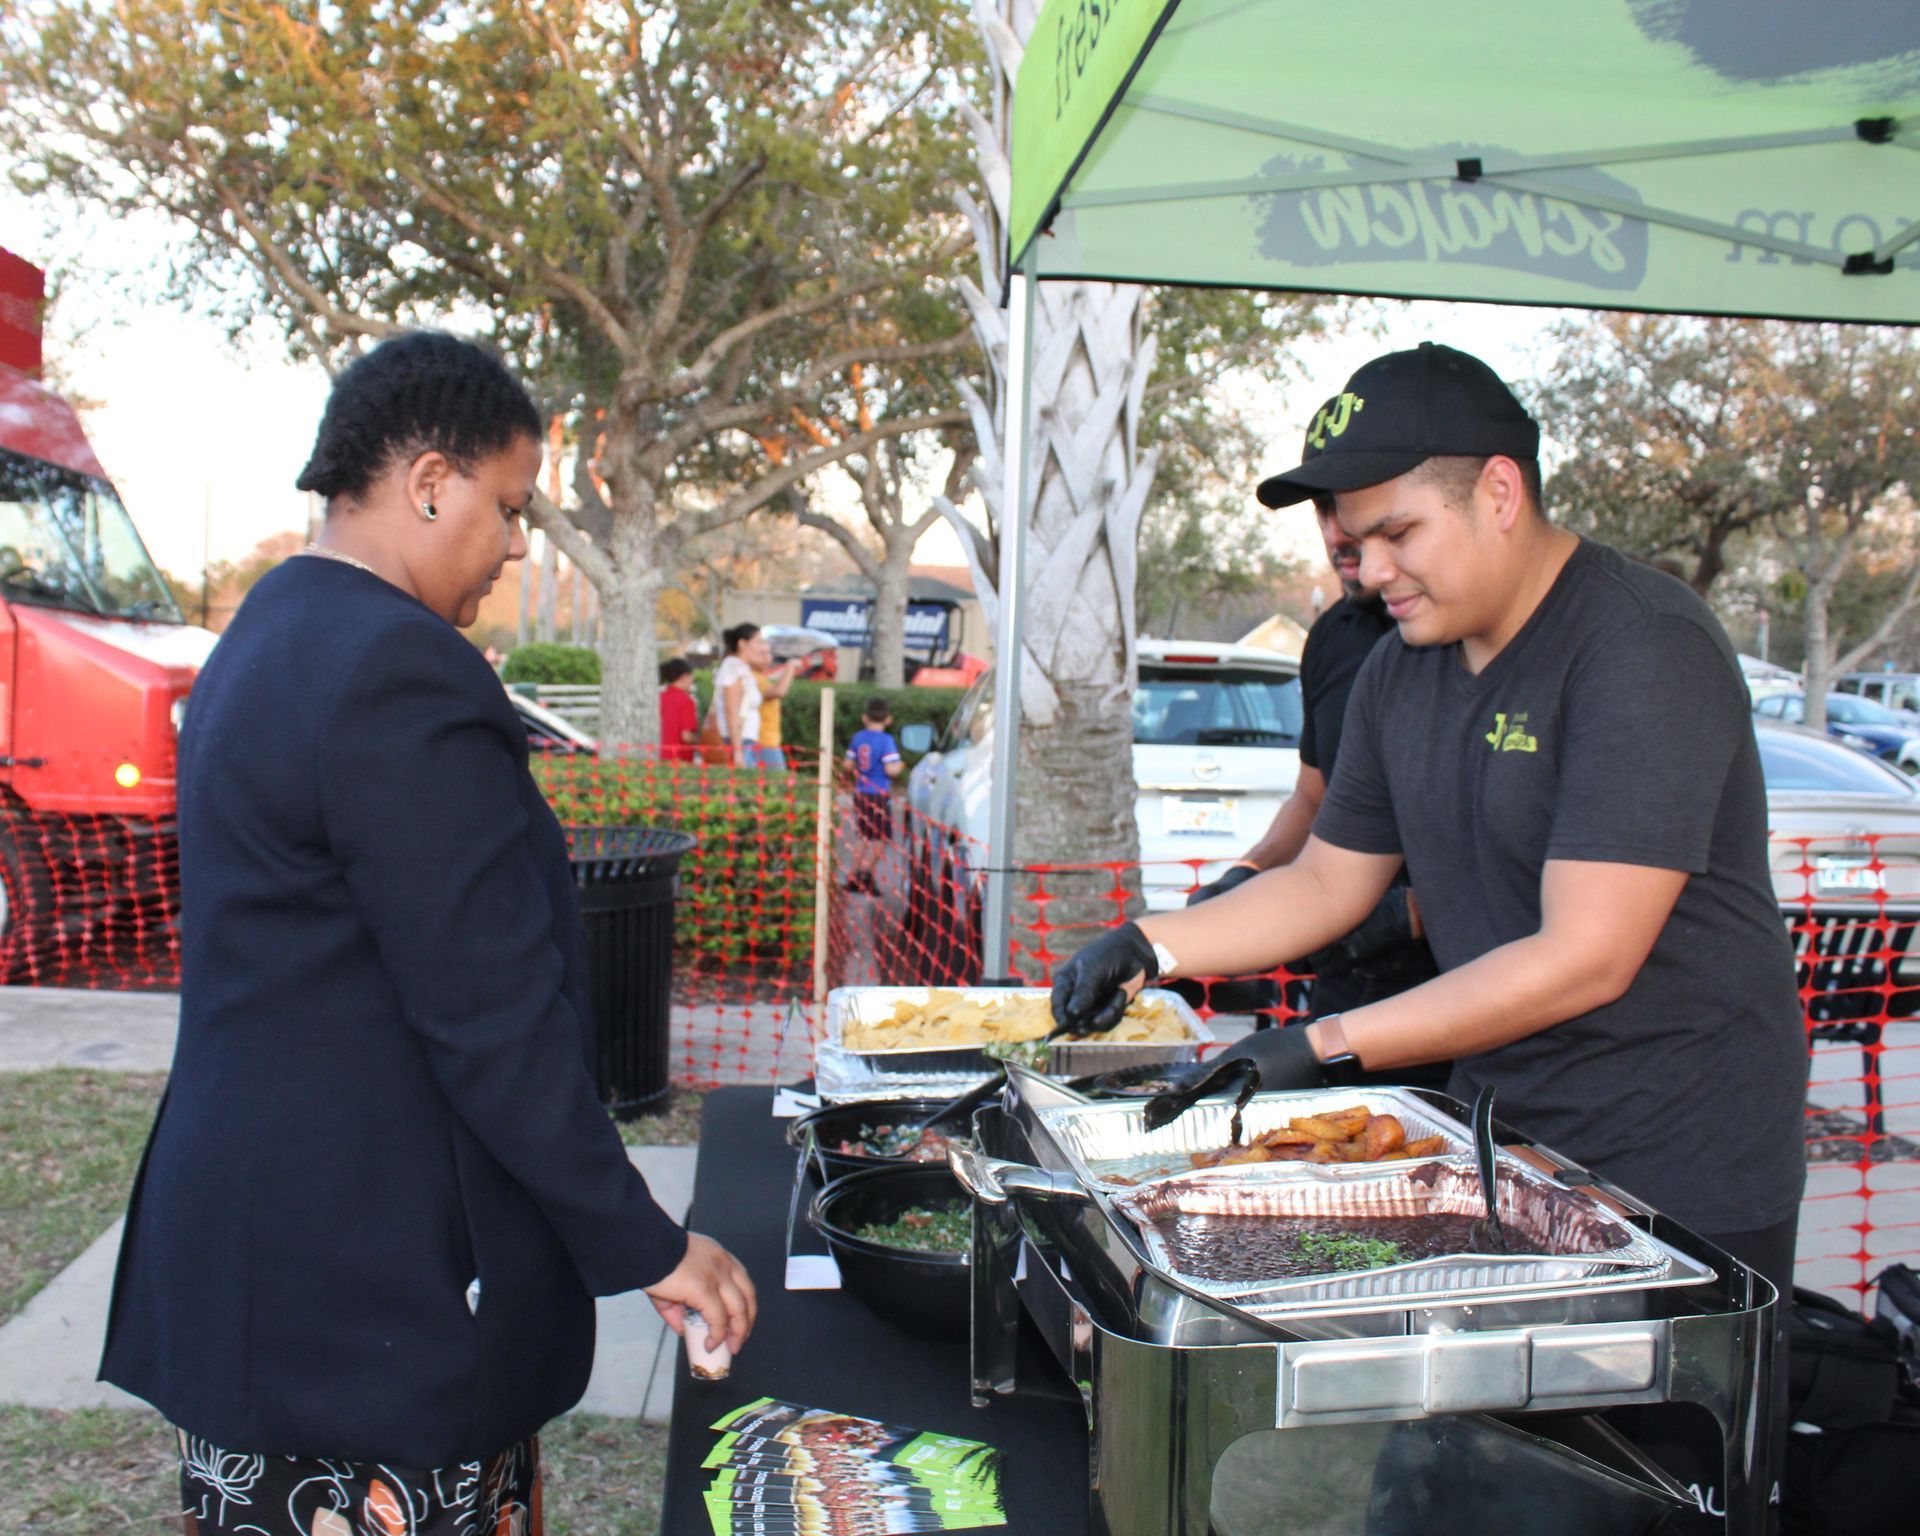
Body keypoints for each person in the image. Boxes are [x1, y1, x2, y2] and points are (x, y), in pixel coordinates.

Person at [1053, 342, 1805, 1515]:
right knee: (1450, 1482)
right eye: (1354, 540)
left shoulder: (1641, 647)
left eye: (1398, 533)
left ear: (1499, 493)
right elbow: (1326, 884)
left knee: (1625, 1501)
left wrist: (1328, 1045)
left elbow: (1587, 953)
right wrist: (1152, 944)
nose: (1369, 568)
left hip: (1679, 1160)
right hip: (1503, 1147)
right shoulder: (1407, 669)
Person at [100, 332, 756, 1535]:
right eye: (507, 507)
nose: (513, 546)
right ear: (430, 482)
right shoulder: (396, 668)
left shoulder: (265, 636)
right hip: (362, 1293)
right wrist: (643, 1240)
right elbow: (486, 1009)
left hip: (268, 1259)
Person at [1190, 402, 1440, 1074]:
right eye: (1325, 510)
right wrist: (1248, 874)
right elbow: (1313, 796)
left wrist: (1405, 913)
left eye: (1355, 507)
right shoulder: (1334, 636)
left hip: (1461, 999)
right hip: (1346, 989)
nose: (1341, 532)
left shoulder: (1452, 632)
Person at [844, 696, 903, 894]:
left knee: (862, 834)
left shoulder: (858, 738)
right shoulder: (886, 741)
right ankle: (866, 872)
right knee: (879, 837)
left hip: (860, 792)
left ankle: (852, 875)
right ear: (888, 719)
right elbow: (891, 770)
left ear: (864, 718)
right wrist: (900, 766)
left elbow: (848, 764)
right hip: (878, 794)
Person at [707, 623, 767, 768]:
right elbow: (731, 710)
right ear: (742, 644)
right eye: (758, 642)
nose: (762, 648)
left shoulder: (742, 668)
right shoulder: (734, 669)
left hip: (744, 741)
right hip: (736, 742)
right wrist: (738, 751)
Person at [754, 643, 799, 772]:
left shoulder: (762, 678)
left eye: (769, 654)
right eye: (762, 654)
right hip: (763, 741)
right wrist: (790, 667)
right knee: (778, 786)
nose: (768, 658)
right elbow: (779, 691)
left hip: (768, 741)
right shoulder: (754, 678)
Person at [660, 656, 699, 762]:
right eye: (691, 677)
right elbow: (686, 736)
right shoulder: (686, 701)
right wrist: (704, 742)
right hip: (680, 761)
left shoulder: (659, 697)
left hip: (658, 758)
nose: (692, 681)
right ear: (684, 677)